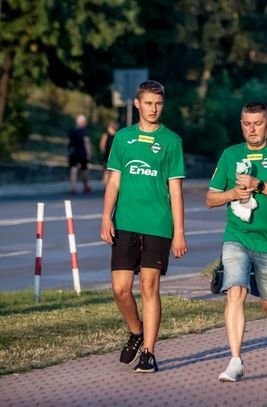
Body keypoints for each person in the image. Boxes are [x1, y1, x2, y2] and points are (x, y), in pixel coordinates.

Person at [206, 102, 267, 382]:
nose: (252, 129)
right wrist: (233, 194)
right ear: (241, 124)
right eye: (247, 124)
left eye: (258, 123)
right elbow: (211, 198)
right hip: (237, 236)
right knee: (235, 290)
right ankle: (235, 360)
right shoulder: (230, 154)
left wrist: (258, 184)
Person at [100, 80, 187, 373]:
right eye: (148, 103)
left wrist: (179, 232)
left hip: (158, 224)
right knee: (120, 289)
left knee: (149, 286)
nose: (154, 108)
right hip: (125, 222)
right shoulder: (123, 138)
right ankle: (136, 331)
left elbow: (175, 190)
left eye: (158, 103)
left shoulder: (172, 141)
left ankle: (149, 352)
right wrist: (106, 216)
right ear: (137, 103)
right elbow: (114, 182)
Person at [68, 114, 92, 194]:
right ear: (83, 122)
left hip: (73, 152)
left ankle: (73, 187)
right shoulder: (84, 131)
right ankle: (86, 186)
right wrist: (89, 153)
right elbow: (86, 142)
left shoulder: (72, 130)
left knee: (73, 169)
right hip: (82, 153)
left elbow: (68, 141)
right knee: (84, 169)